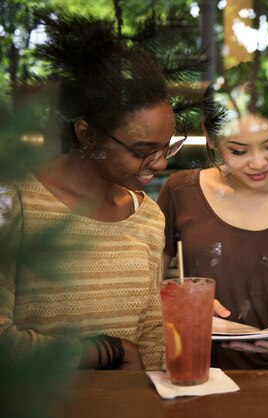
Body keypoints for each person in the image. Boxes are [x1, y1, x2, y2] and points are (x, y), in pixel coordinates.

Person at [0, 13, 182, 370]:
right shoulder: (15, 201)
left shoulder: (147, 217)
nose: (160, 164)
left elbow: (151, 342)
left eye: (167, 148)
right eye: (142, 150)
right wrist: (106, 350)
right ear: (87, 135)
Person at [157, 93, 268, 369]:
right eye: (239, 150)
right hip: (197, 368)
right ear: (211, 137)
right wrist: (182, 302)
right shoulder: (180, 191)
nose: (259, 163)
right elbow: (148, 287)